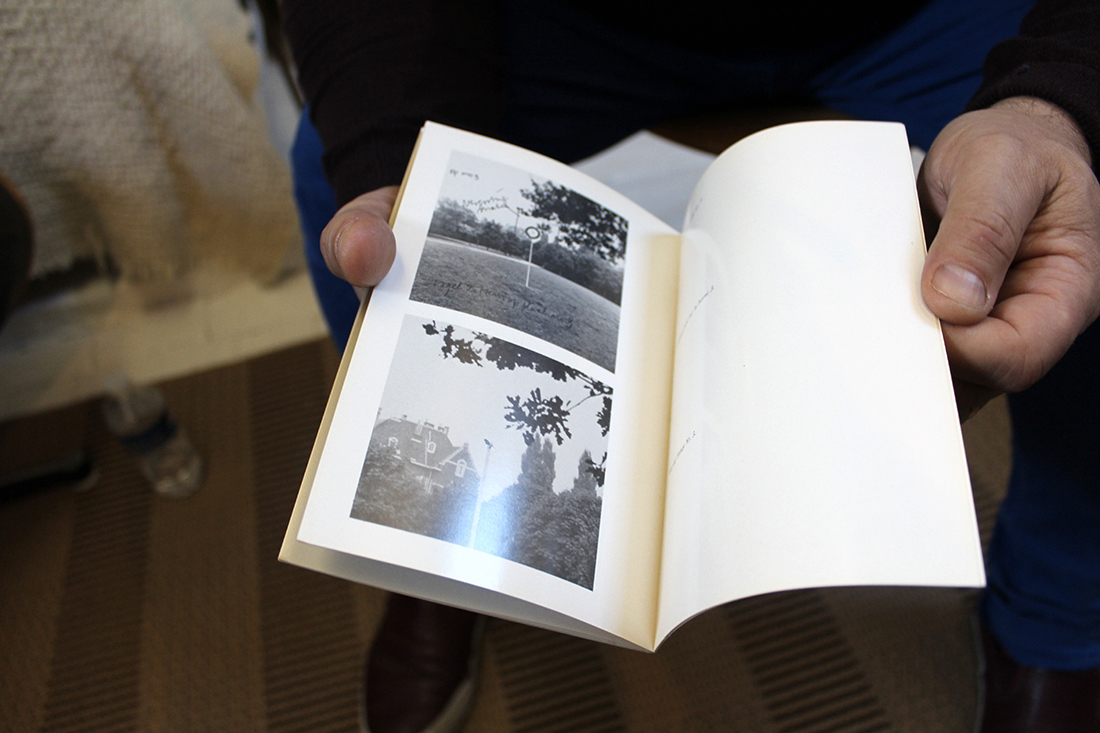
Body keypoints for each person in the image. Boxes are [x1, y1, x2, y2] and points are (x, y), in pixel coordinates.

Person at [280, 1, 1100, 731]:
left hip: (920, 13)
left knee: (1070, 206)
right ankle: (438, 548)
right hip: (577, 24)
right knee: (361, 193)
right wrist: (395, 153)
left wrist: (1059, 96)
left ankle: (1054, 616)